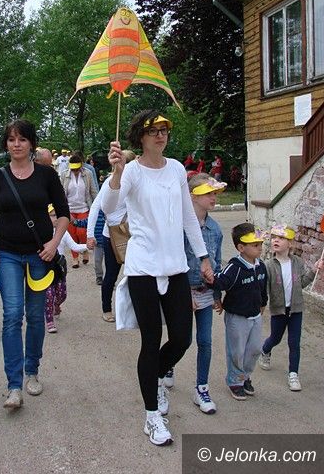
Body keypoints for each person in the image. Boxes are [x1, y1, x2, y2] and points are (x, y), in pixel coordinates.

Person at [103, 110, 213, 447]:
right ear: (141, 136)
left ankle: (155, 377)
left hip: (175, 266)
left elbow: (188, 217)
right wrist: (116, 174)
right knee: (151, 341)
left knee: (181, 339)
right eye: (153, 131)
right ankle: (152, 415)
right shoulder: (131, 171)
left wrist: (203, 256)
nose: (161, 135)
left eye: (164, 130)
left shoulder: (177, 169)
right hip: (143, 268)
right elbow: (110, 208)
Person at [0, 119, 70, 409]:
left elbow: (64, 213)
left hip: (39, 255)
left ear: (31, 143)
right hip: (7, 253)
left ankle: (32, 371)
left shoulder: (46, 175)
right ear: (6, 144)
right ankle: (13, 385)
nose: (16, 144)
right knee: (12, 315)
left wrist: (54, 243)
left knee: (35, 315)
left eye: (22, 139)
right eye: (11, 139)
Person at [165, 174, 226, 415]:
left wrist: (217, 293)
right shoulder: (179, 228)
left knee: (205, 340)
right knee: (181, 339)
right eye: (208, 193)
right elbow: (174, 261)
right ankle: (167, 365)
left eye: (215, 193)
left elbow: (216, 262)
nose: (213, 197)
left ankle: (201, 388)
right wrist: (181, 293)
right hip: (183, 291)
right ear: (193, 196)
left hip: (205, 292)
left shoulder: (215, 229)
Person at [259, 224, 322, 391]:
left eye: (281, 238)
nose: (276, 240)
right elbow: (264, 289)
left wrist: (313, 270)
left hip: (295, 309)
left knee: (294, 342)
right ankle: (265, 350)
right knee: (275, 338)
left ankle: (293, 374)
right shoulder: (268, 265)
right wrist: (260, 303)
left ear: (290, 243)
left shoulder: (297, 262)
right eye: (274, 237)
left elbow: (302, 283)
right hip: (278, 309)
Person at [210, 223, 267, 401]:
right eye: (255, 245)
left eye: (260, 244)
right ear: (241, 248)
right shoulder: (234, 268)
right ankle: (235, 381)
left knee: (255, 349)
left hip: (255, 315)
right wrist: (211, 286)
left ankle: (245, 375)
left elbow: (263, 287)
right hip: (237, 317)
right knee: (237, 351)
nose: (260, 248)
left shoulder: (261, 266)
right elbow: (220, 282)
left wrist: (263, 302)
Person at [87, 150, 136, 321]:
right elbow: (96, 207)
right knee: (111, 275)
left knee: (137, 274)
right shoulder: (110, 182)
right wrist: (90, 234)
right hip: (113, 236)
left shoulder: (138, 182)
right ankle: (106, 309)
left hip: (135, 236)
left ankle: (136, 309)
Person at [45, 204, 87, 333]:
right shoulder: (42, 233)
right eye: (52, 216)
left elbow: (75, 246)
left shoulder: (63, 233)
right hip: (45, 268)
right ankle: (49, 321)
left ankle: (56, 305)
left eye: (57, 216)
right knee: (49, 295)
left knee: (62, 294)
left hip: (59, 268)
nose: (56, 218)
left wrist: (88, 246)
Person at [60, 152, 97, 268]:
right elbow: (60, 193)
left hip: (84, 208)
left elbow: (93, 191)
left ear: (81, 166)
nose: (75, 171)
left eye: (77, 169)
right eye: (73, 169)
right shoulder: (64, 174)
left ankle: (84, 250)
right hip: (69, 209)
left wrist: (98, 205)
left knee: (81, 232)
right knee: (72, 235)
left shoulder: (88, 173)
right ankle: (75, 258)